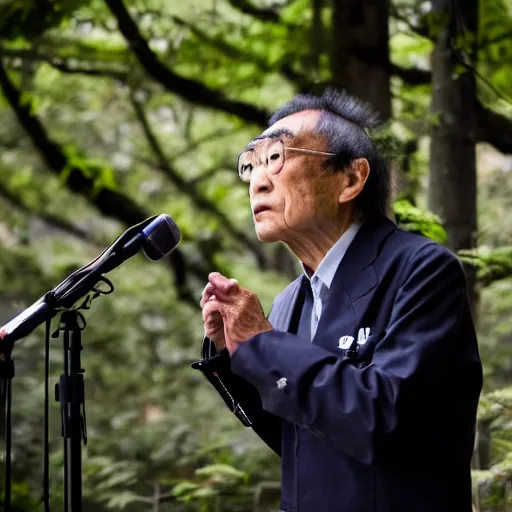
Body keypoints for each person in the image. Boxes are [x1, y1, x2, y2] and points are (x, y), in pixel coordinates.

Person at [192, 89, 483, 512]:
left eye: (276, 157)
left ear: (350, 179)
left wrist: (264, 343)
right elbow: (298, 437)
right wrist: (233, 352)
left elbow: (383, 418)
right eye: (251, 164)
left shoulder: (422, 270)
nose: (258, 179)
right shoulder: (291, 300)